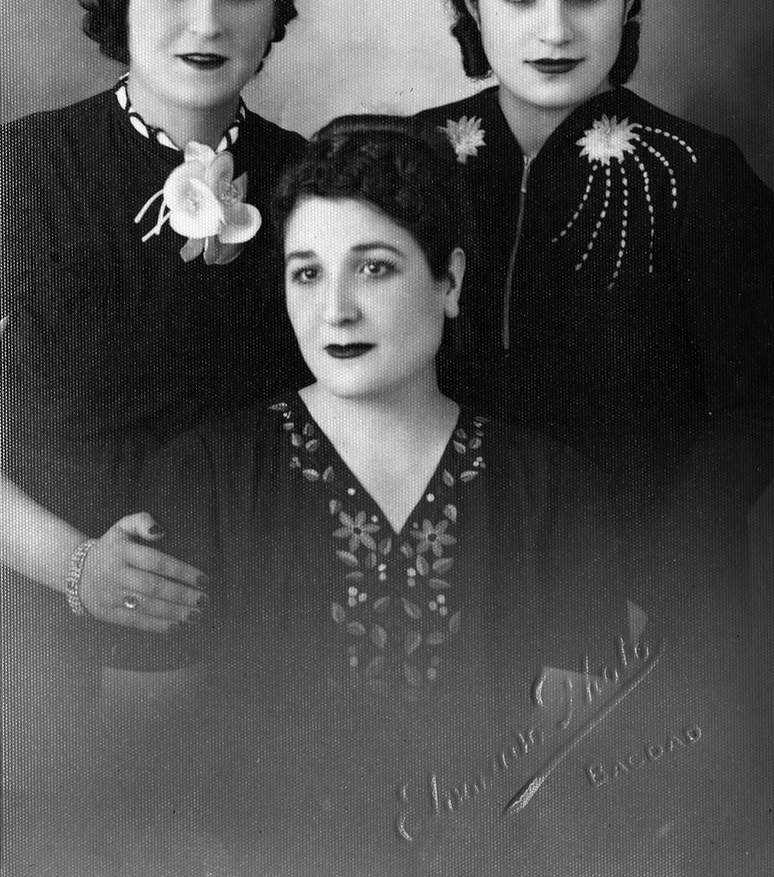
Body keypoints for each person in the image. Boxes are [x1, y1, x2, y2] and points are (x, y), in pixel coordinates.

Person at [104, 120, 768, 877]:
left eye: (375, 268)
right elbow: (140, 774)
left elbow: (568, 787)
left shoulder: (552, 489)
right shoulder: (202, 476)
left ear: (448, 281)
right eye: (307, 274)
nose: (336, 310)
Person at [0, 0, 309, 847]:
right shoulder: (23, 168)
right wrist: (75, 567)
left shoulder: (317, 183)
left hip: (265, 639)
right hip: (43, 630)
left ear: (274, 9)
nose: (207, 22)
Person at [414, 0, 774, 488]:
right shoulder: (413, 154)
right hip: (443, 534)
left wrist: (663, 553)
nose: (555, 31)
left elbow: (757, 409)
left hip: (638, 542)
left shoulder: (697, 172)